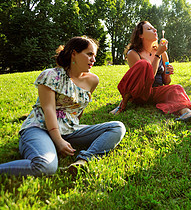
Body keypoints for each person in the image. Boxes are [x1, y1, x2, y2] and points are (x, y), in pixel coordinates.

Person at [0, 36, 126, 176]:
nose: (93, 60)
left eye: (94, 55)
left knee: (117, 127)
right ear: (74, 53)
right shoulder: (50, 75)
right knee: (45, 167)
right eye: (89, 54)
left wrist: (70, 133)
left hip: (70, 130)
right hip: (40, 128)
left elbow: (79, 110)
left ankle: (83, 160)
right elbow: (49, 109)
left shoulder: (92, 80)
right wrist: (58, 141)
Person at [111, 21, 191, 123]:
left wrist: (167, 72)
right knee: (144, 65)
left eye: (154, 28)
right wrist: (158, 55)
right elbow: (148, 78)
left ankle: (186, 113)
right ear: (140, 35)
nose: (155, 30)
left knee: (177, 87)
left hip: (155, 92)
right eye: (149, 29)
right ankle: (122, 105)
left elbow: (166, 82)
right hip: (139, 93)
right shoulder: (133, 53)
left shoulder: (163, 54)